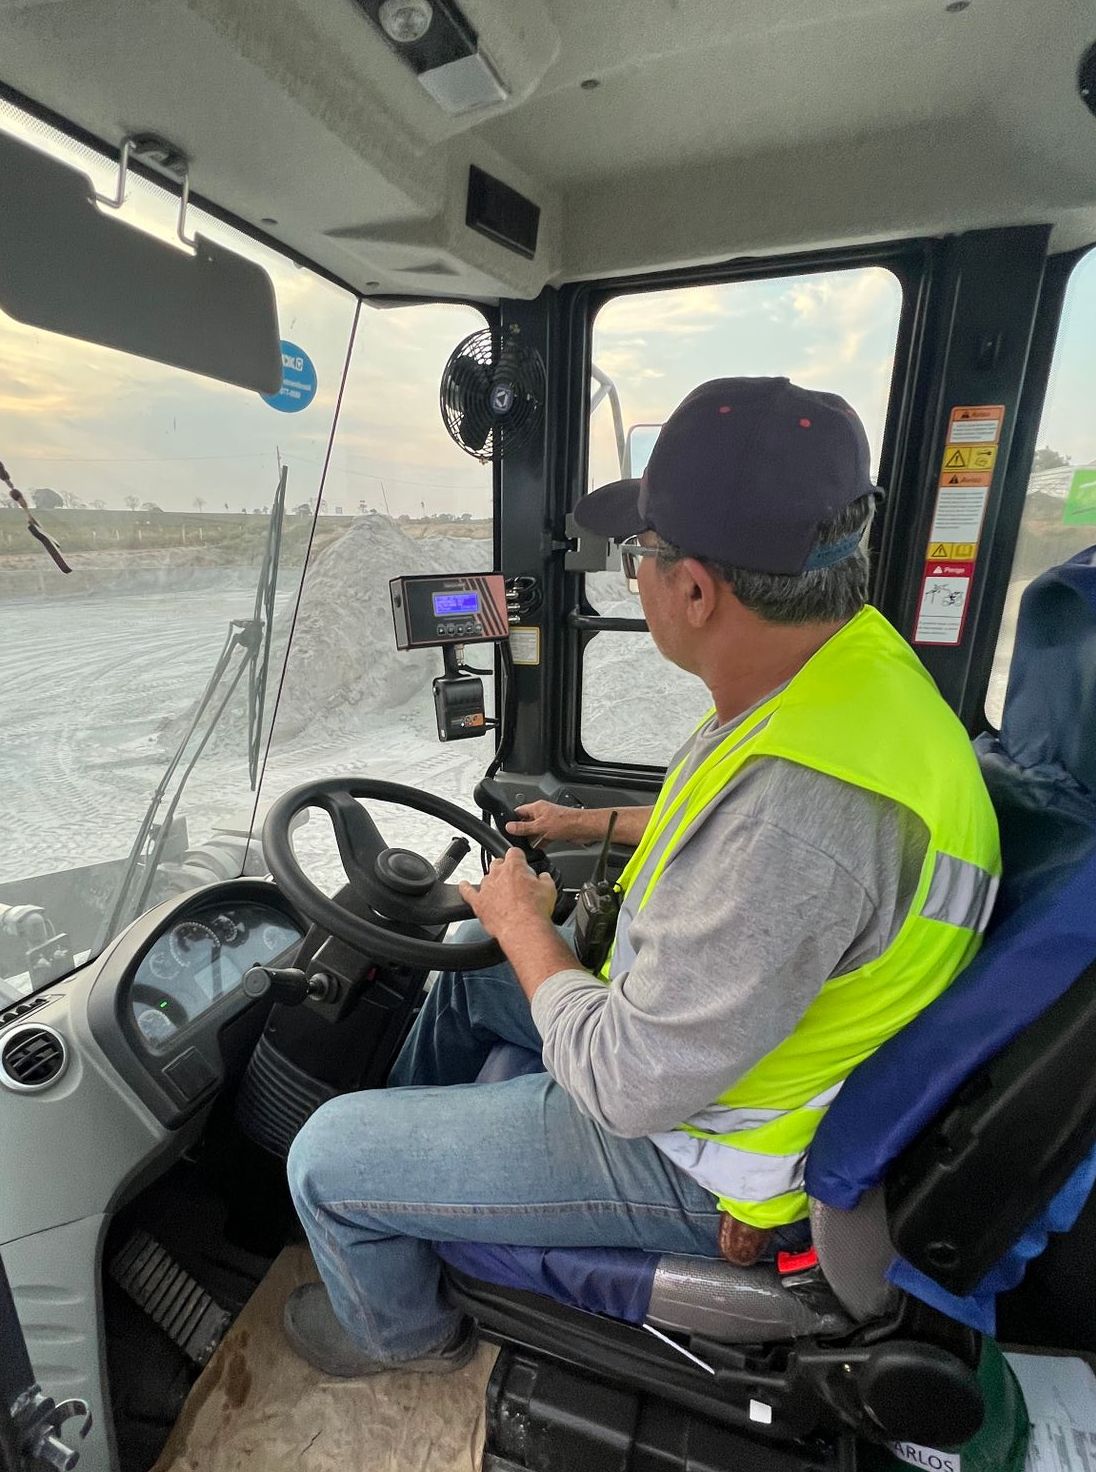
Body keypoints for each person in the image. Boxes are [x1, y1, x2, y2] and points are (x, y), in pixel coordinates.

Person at [283, 376, 1000, 1376]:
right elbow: (724, 831)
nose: (634, 575)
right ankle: (423, 1195)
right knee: (465, 968)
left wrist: (529, 925)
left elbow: (627, 1082)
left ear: (697, 589)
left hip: (712, 1158)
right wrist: (586, 822)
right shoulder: (850, 678)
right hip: (724, 1045)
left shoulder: (806, 814)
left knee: (323, 1157)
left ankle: (405, 1334)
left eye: (641, 555)